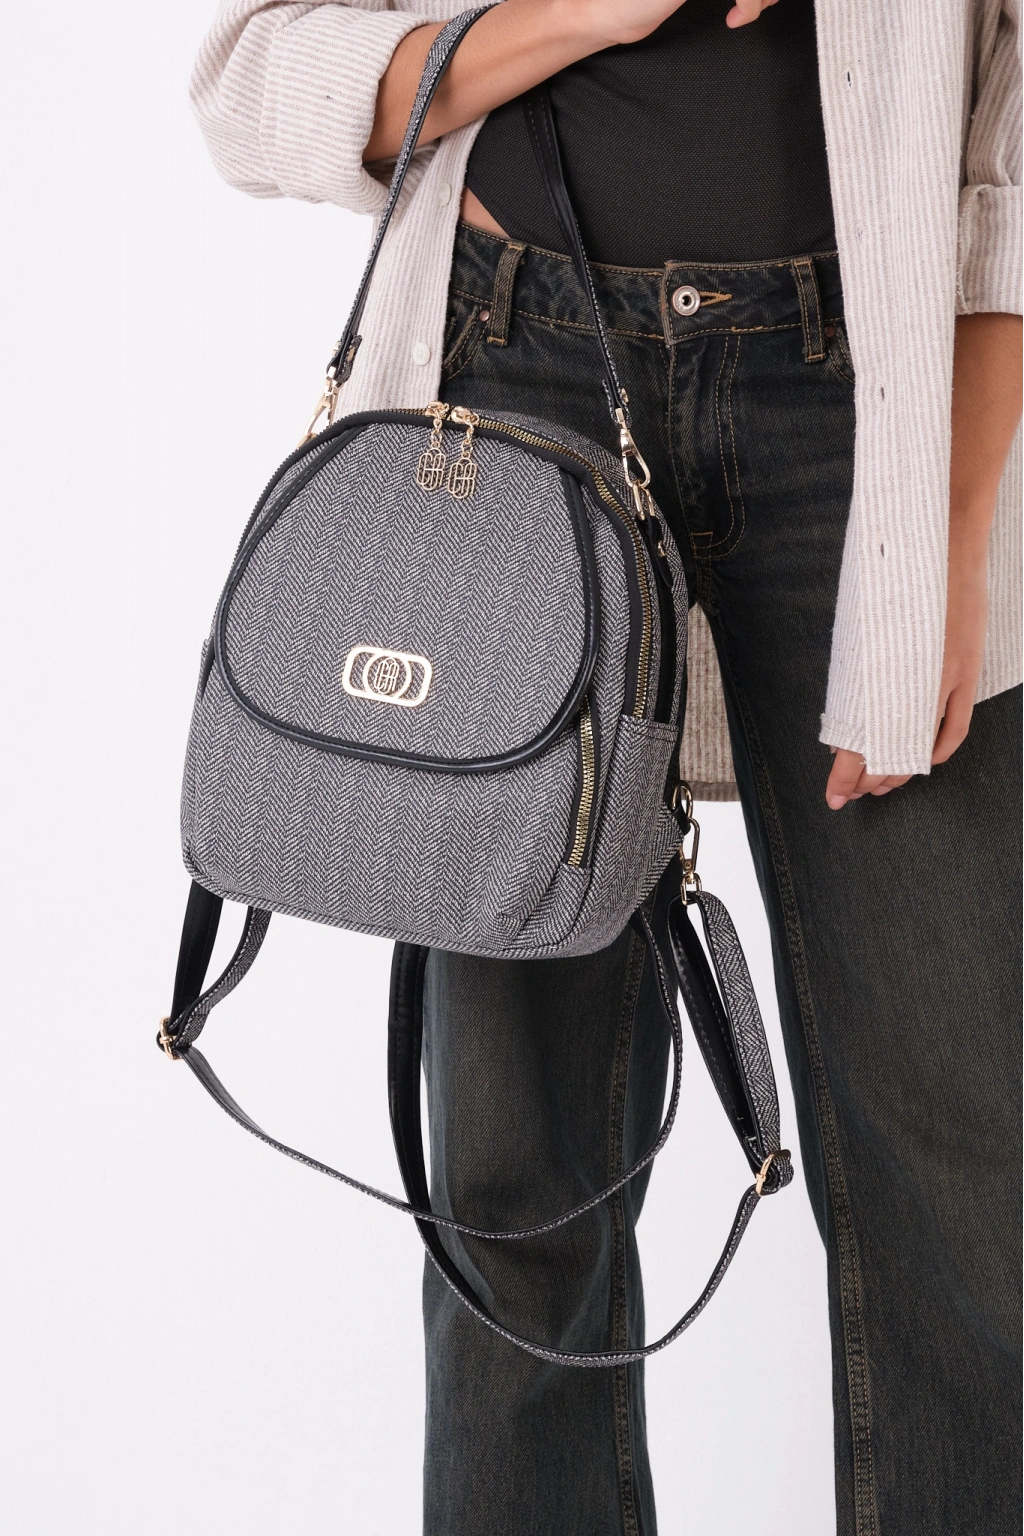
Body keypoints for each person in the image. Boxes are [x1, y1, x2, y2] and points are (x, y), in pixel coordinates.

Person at [190, 2, 1024, 1531]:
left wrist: (958, 527)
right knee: (513, 1184)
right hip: (516, 375)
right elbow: (252, 87)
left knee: (965, 1175)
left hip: (871, 406)